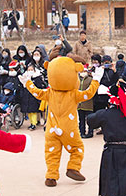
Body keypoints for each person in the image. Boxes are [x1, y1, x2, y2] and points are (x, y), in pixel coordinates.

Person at [21, 57, 101, 187]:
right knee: (77, 148)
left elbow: (36, 93)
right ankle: (73, 168)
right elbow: (89, 94)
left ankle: (51, 177)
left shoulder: (50, 93)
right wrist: (96, 80)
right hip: (69, 130)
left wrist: (28, 83)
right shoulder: (74, 94)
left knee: (52, 152)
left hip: (51, 129)